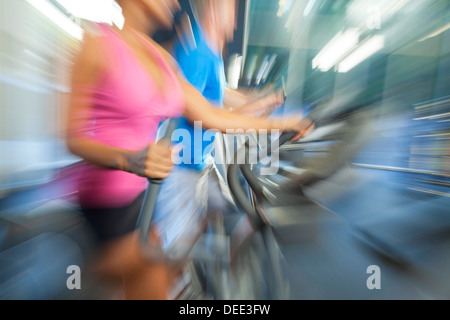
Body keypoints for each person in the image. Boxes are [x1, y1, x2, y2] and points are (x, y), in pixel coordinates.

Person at [66, 0, 313, 300]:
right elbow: (74, 138)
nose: (172, 2)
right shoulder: (97, 44)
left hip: (143, 194)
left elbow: (213, 115)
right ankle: (93, 270)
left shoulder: (162, 59)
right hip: (107, 202)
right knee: (146, 273)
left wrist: (283, 120)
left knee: (161, 269)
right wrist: (127, 158)